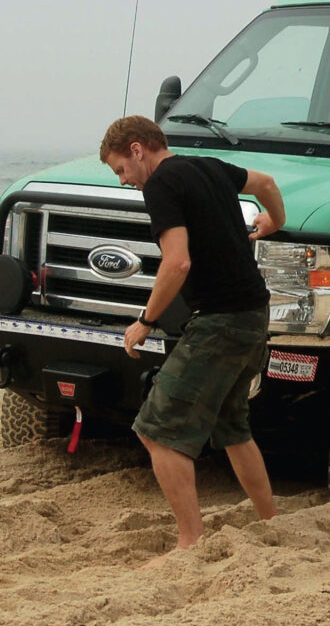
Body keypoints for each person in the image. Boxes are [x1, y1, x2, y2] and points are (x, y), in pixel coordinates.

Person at [99, 115, 288, 556]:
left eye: (120, 170)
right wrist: (275, 221)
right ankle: (269, 522)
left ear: (136, 149)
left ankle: (189, 543)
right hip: (254, 314)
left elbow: (177, 262)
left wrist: (145, 321)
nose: (125, 181)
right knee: (232, 424)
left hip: (221, 319)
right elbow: (266, 183)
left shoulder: (160, 184)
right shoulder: (208, 165)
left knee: (157, 429)